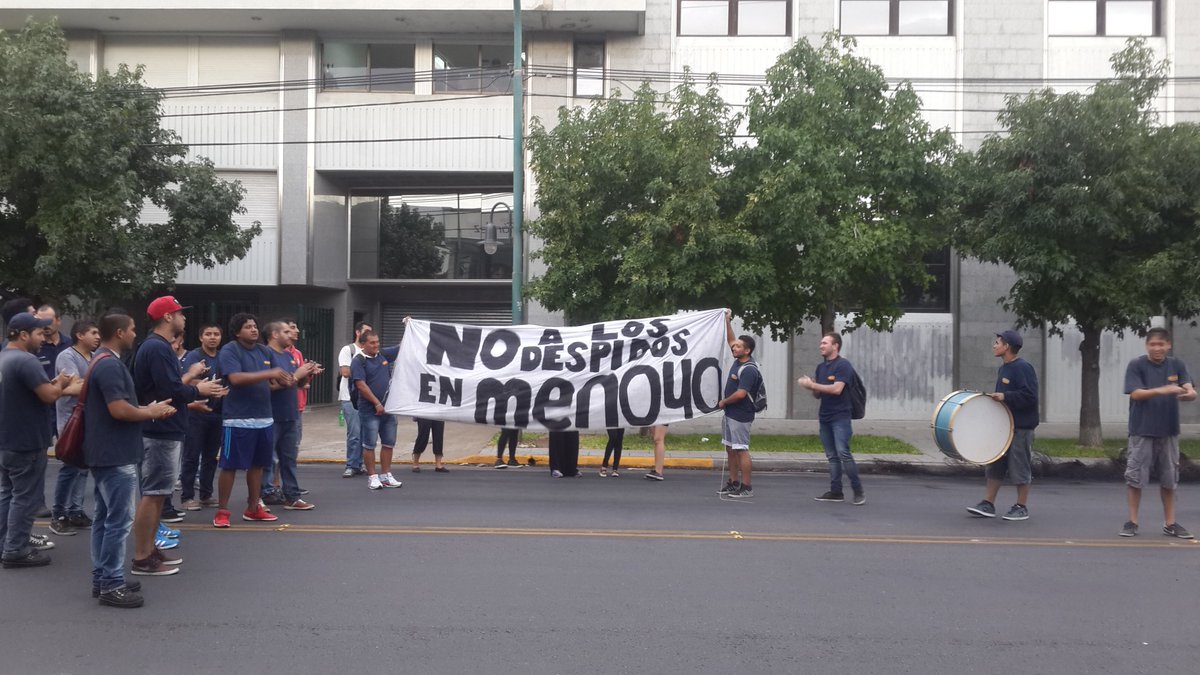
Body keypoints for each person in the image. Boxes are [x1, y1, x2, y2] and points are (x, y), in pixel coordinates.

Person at [85, 313, 176, 604]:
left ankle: (104, 577)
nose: (136, 334)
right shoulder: (109, 365)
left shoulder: (101, 360)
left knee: (104, 519)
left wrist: (146, 407)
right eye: (133, 329)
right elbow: (119, 410)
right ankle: (111, 584)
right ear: (121, 332)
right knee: (118, 522)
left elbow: (122, 406)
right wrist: (151, 412)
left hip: (106, 452)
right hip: (115, 454)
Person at [132, 296, 226, 573]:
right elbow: (169, 391)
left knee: (158, 494)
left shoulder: (156, 347)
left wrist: (191, 393)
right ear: (168, 317)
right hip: (159, 430)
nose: (184, 318)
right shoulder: (157, 348)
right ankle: (142, 557)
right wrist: (199, 390)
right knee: (153, 494)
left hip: (164, 428)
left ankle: (150, 549)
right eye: (180, 313)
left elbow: (168, 389)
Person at [0, 313, 74, 569]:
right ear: (23, 334)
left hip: (7, 438)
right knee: (25, 497)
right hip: (26, 440)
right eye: (40, 334)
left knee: (8, 494)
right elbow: (48, 395)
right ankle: (16, 550)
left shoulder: (4, 356)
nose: (44, 339)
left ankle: (6, 544)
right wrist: (62, 382)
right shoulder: (25, 360)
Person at [213, 313, 288, 528]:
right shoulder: (230, 350)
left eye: (255, 326)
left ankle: (253, 508)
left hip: (264, 418)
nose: (254, 330)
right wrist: (269, 373)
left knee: (258, 466)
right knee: (230, 466)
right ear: (237, 332)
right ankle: (222, 511)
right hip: (237, 418)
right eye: (248, 327)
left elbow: (275, 380)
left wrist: (296, 377)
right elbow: (235, 378)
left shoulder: (264, 351)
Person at [1120, 327, 1196, 538]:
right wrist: (1164, 390)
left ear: (1168, 345)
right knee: (1135, 478)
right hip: (1142, 430)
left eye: (1161, 344)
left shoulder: (1177, 364)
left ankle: (1170, 523)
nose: (1157, 348)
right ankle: (1132, 522)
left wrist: (1189, 393)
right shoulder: (1137, 365)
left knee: (1170, 479)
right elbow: (1135, 393)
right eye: (1153, 344)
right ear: (1147, 346)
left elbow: (1189, 388)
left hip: (1169, 431)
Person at [965, 330, 1039, 521]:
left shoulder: (1023, 368)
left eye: (998, 342)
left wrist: (1006, 396)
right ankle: (988, 504)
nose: (994, 345)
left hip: (1021, 427)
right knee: (995, 463)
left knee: (1020, 466)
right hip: (1004, 426)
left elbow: (1030, 396)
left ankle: (1021, 507)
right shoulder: (1004, 368)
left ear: (1007, 347)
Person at [260, 321, 321, 510]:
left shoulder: (289, 356)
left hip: (290, 413)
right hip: (271, 414)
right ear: (274, 334)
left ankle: (292, 496)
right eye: (286, 331)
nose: (291, 334)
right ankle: (264, 493)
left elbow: (298, 384)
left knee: (289, 457)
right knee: (267, 459)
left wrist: (307, 373)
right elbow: (268, 386)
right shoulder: (265, 354)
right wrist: (296, 375)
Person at [801, 332, 865, 505]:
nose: (821, 346)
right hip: (825, 416)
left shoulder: (843, 365)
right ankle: (836, 492)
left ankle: (858, 491)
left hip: (840, 416)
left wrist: (813, 385)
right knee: (832, 456)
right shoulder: (821, 368)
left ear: (835, 346)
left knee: (843, 453)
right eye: (821, 343)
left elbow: (837, 389)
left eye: (824, 343)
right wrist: (811, 386)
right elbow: (818, 395)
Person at [49, 320, 100, 537]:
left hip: (89, 420)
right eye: (93, 332)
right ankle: (58, 514)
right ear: (80, 335)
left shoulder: (95, 357)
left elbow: (83, 385)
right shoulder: (67, 356)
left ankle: (76, 511)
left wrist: (84, 386)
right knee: (70, 468)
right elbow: (70, 387)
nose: (98, 336)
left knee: (83, 468)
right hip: (70, 421)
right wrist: (88, 386)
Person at [350, 331, 403, 490]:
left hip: (389, 408)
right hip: (369, 410)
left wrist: (409, 328)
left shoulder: (383, 355)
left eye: (377, 342)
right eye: (372, 343)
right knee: (369, 444)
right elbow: (361, 385)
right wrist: (377, 403)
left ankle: (386, 475)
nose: (376, 345)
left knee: (388, 443)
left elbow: (402, 347)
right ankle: (372, 477)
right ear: (363, 344)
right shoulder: (358, 361)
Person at [180, 322, 224, 510]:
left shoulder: (223, 357)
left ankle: (206, 494)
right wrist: (207, 384)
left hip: (217, 413)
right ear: (201, 337)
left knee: (211, 457)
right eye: (208, 334)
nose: (212, 337)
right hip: (196, 412)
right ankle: (187, 496)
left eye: (216, 334)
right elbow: (187, 379)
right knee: (191, 455)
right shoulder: (195, 356)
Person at [716, 314, 761, 499]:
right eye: (734, 346)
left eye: (738, 346)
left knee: (741, 448)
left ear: (747, 350)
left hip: (740, 414)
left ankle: (746, 486)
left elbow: (742, 394)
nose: (734, 347)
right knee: (730, 448)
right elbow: (731, 339)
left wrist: (724, 402)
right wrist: (727, 321)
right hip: (730, 413)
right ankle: (733, 482)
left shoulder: (749, 369)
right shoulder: (738, 359)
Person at [338, 321, 372, 478]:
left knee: (365, 434)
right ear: (357, 332)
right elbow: (345, 371)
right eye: (365, 331)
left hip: (365, 398)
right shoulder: (349, 350)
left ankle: (359, 464)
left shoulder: (370, 352)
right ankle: (351, 465)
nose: (368, 335)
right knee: (354, 433)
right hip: (350, 397)